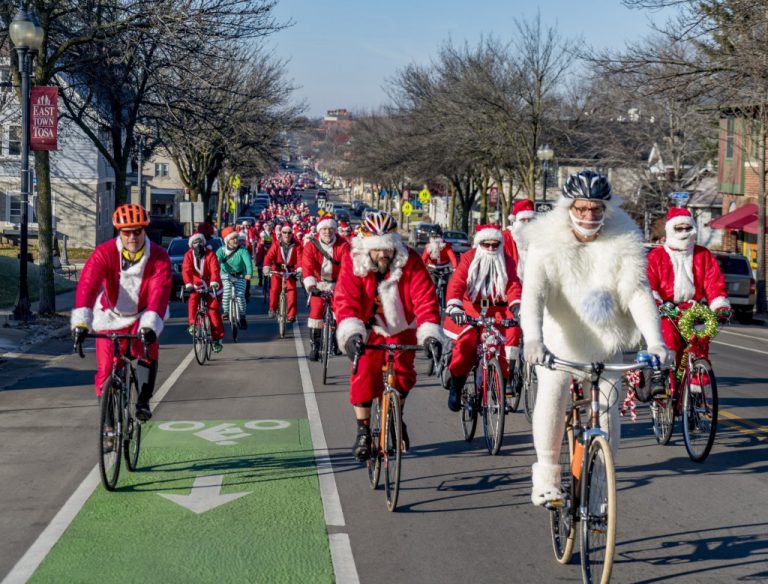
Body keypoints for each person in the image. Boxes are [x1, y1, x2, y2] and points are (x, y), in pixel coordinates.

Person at [520, 170, 671, 506]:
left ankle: (602, 481)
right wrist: (533, 339)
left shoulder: (623, 239)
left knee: (608, 407)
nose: (589, 216)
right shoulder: (545, 241)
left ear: (607, 209)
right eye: (581, 208)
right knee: (553, 390)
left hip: (607, 341)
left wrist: (655, 341)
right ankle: (546, 476)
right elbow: (533, 295)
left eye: (596, 209)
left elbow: (637, 293)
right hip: (559, 340)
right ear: (567, 208)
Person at [334, 211, 444, 461]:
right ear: (367, 248)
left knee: (404, 375)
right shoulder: (354, 263)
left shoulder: (411, 261)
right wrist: (351, 333)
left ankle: (396, 416)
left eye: (388, 249)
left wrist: (429, 334)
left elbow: (425, 299)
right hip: (367, 327)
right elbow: (345, 301)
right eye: (377, 250)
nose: (383, 254)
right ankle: (362, 431)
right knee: (362, 372)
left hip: (401, 325)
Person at [71, 204, 172, 421]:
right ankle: (107, 425)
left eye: (137, 231)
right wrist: (81, 322)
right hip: (110, 314)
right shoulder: (105, 253)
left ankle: (143, 401)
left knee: (147, 351)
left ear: (145, 231)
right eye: (127, 232)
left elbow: (159, 292)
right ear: (120, 233)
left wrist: (150, 326)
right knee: (106, 368)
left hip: (143, 315)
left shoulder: (159, 256)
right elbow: (88, 285)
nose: (132, 237)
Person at [444, 224, 522, 411]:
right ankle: (456, 385)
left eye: (495, 245)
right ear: (479, 244)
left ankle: (500, 386)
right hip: (470, 308)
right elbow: (457, 283)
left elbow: (513, 286)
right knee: (466, 343)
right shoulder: (469, 258)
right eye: (486, 244)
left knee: (503, 344)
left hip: (498, 309)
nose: (491, 249)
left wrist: (518, 306)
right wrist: (455, 306)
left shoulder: (507, 261)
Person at [647, 207, 731, 375]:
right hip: (666, 310)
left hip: (693, 309)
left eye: (688, 228)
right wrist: (657, 303)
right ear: (671, 229)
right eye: (679, 228)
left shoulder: (703, 254)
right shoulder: (657, 256)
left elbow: (713, 283)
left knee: (699, 344)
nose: (684, 232)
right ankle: (664, 382)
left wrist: (719, 306)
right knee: (669, 345)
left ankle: (696, 385)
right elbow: (649, 284)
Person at [301, 216, 349, 361]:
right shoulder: (311, 246)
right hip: (319, 283)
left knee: (340, 313)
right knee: (316, 312)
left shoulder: (343, 245)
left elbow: (348, 267)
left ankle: (336, 341)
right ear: (319, 230)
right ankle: (315, 347)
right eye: (324, 229)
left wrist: (345, 285)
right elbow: (307, 267)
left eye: (330, 229)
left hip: (338, 283)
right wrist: (311, 286)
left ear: (334, 230)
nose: (327, 232)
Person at [182, 232, 224, 353]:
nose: (198, 245)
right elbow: (186, 270)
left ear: (204, 243)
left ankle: (217, 339)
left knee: (213, 311)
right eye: (195, 243)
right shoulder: (188, 255)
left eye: (200, 242)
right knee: (193, 300)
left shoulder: (211, 254)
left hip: (211, 284)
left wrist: (214, 283)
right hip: (196, 284)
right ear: (191, 245)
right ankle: (192, 325)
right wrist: (188, 284)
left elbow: (215, 269)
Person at [264, 223, 301, 322]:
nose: (286, 235)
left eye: (289, 233)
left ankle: (291, 315)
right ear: (281, 233)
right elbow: (269, 256)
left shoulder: (297, 245)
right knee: (275, 288)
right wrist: (267, 266)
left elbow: (300, 258)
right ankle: (273, 308)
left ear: (292, 234)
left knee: (292, 290)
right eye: (284, 232)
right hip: (277, 269)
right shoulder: (276, 244)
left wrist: (299, 269)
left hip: (290, 271)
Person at [217, 226, 252, 329]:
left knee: (240, 295)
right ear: (227, 240)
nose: (235, 240)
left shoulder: (243, 251)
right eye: (232, 238)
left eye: (236, 237)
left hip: (240, 275)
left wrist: (249, 273)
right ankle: (226, 312)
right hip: (225, 275)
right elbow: (215, 263)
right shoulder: (221, 251)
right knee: (227, 290)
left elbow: (248, 263)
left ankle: (242, 317)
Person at [503, 199, 536, 280]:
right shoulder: (505, 237)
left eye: (530, 220)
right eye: (523, 220)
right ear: (515, 221)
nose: (527, 224)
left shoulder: (540, 238)